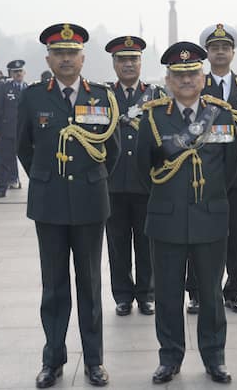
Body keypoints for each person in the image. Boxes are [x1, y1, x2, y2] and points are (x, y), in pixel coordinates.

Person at [17, 23, 120, 388]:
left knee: (90, 285)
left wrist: (94, 180)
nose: (65, 59)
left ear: (82, 58)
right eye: (58, 53)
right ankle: (53, 360)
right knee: (54, 286)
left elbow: (113, 151)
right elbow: (24, 148)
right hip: (49, 205)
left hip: (91, 204)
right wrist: (47, 178)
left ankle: (94, 361)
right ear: (49, 58)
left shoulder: (102, 96)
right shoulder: (32, 97)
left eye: (71, 53)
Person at [137, 41, 237, 384]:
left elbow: (232, 167)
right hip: (166, 219)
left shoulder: (222, 114)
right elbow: (143, 170)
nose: (186, 80)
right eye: (178, 75)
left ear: (203, 76)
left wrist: (207, 198)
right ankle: (170, 358)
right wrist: (172, 197)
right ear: (167, 79)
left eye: (192, 73)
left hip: (210, 217)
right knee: (166, 293)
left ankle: (215, 358)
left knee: (210, 293)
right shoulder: (152, 116)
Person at [183, 23, 237, 314]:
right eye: (215, 48)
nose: (221, 52)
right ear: (207, 54)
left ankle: (233, 290)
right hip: (204, 173)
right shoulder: (196, 84)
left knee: (236, 235)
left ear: (233, 52)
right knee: (198, 233)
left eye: (225, 47)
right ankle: (198, 291)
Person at [104, 35, 164, 316]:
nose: (128, 64)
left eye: (133, 59)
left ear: (141, 62)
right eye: (122, 60)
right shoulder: (102, 96)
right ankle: (123, 295)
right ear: (114, 64)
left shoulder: (156, 96)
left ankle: (147, 294)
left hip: (147, 183)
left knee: (147, 242)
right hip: (112, 183)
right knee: (117, 244)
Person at [0, 60, 27, 198]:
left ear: (24, 72)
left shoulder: (29, 89)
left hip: (25, 132)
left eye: (20, 71)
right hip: (8, 131)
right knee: (4, 161)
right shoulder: (4, 88)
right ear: (10, 74)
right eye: (15, 72)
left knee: (34, 161)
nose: (18, 74)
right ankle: (1, 189)